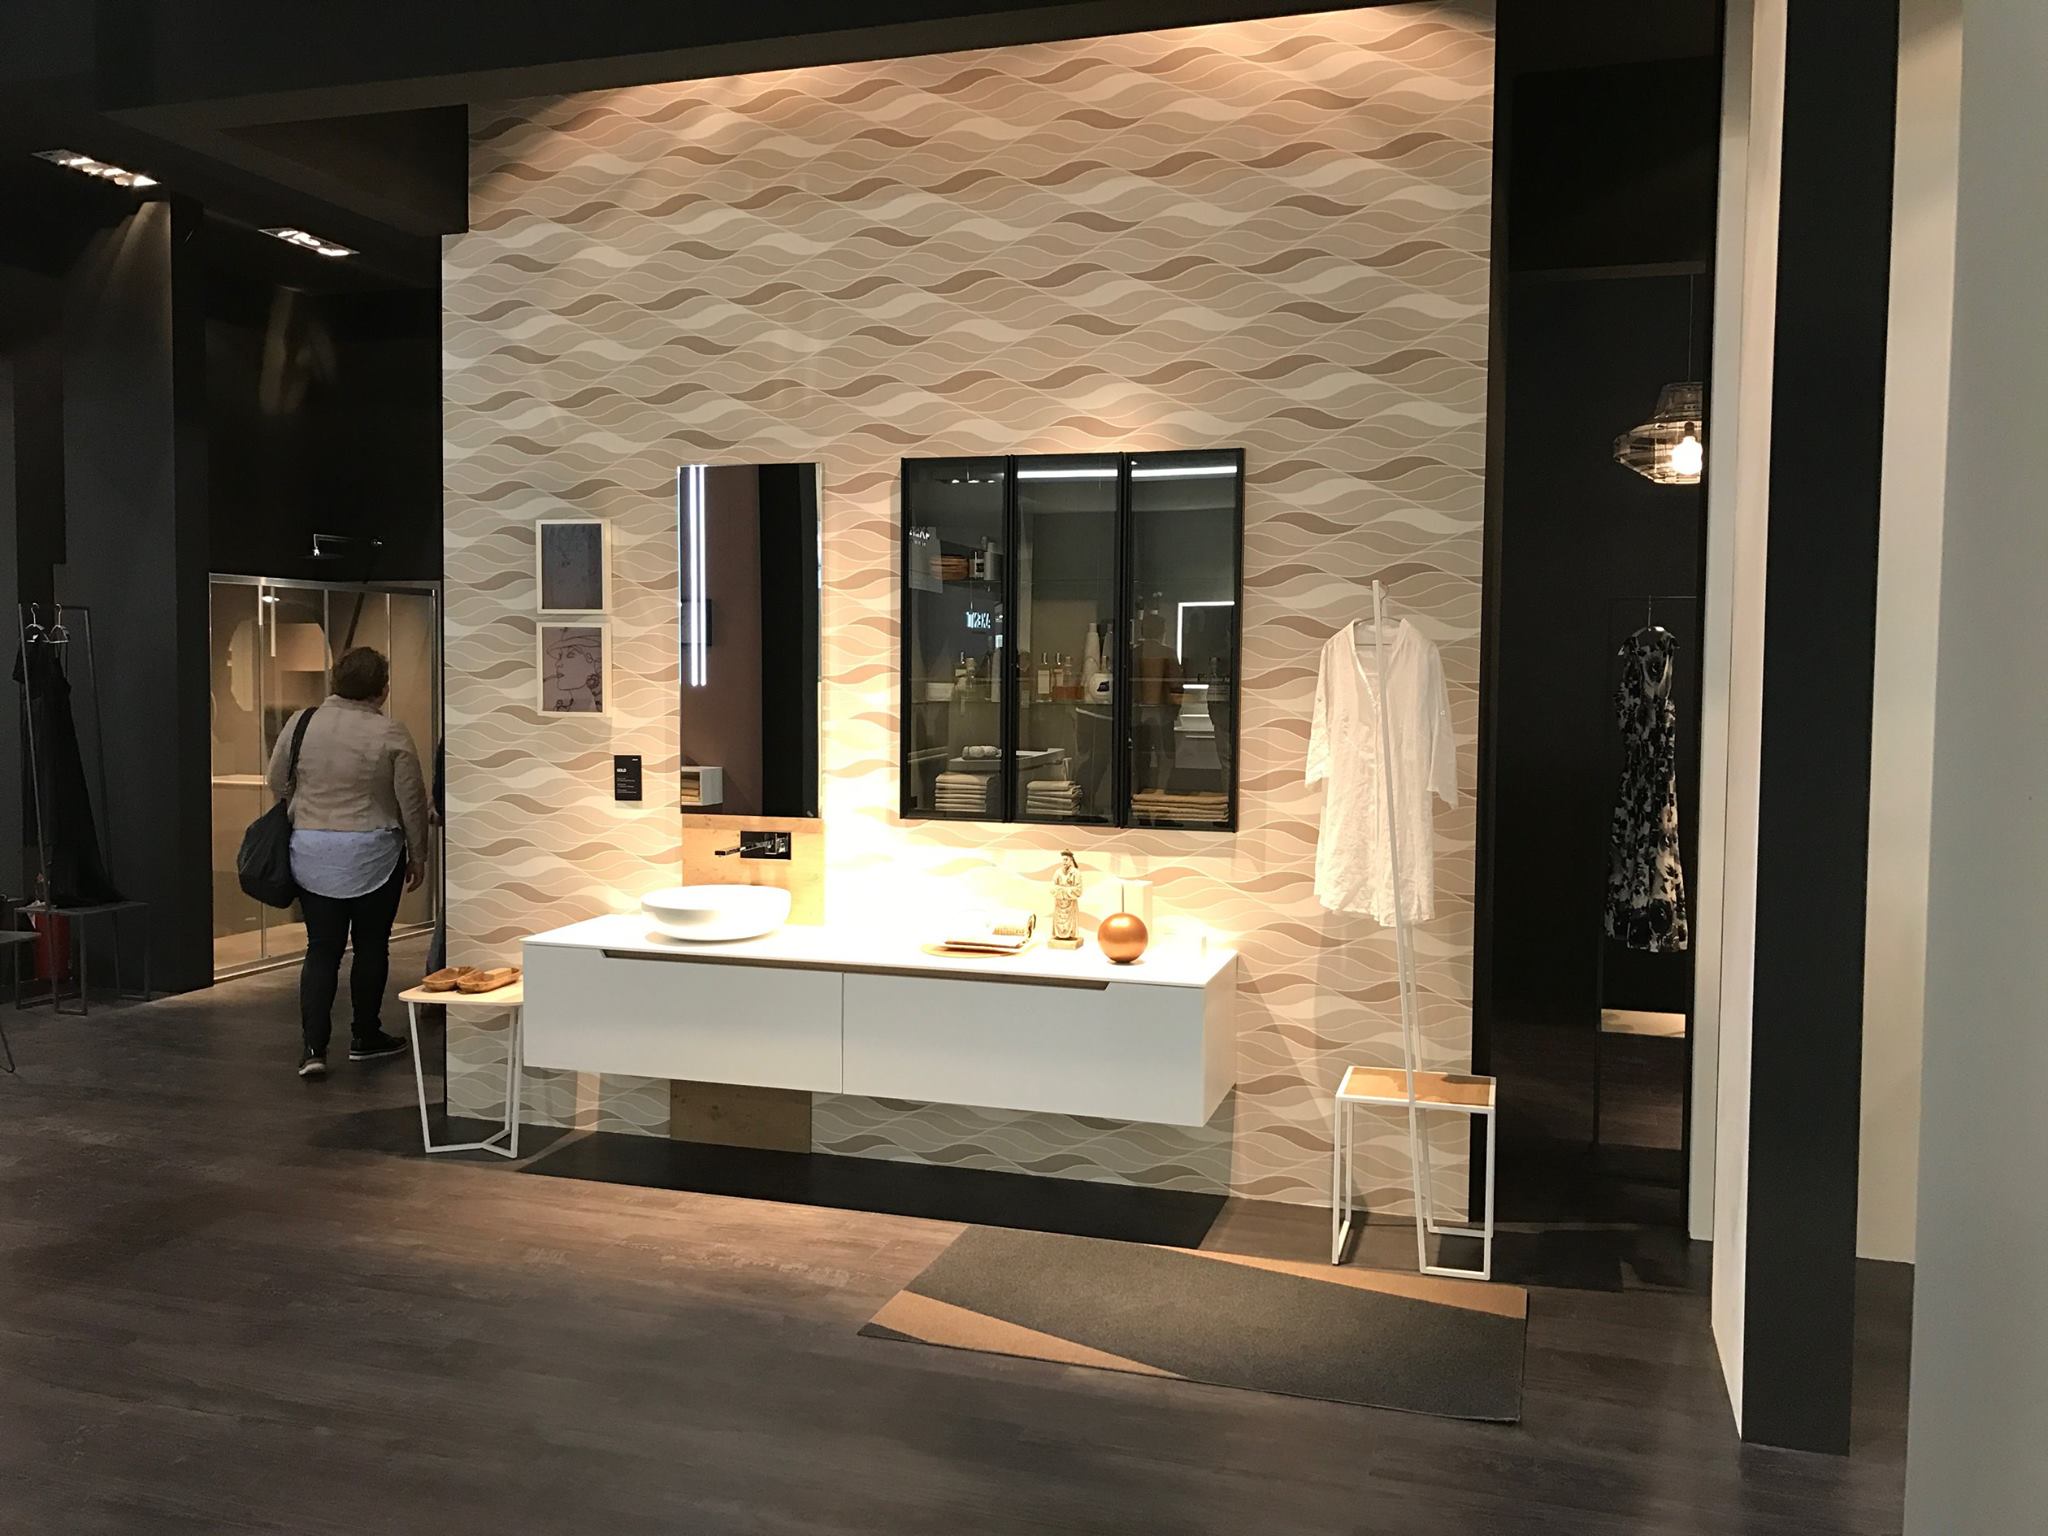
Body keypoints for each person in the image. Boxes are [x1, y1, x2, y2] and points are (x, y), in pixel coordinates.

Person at [265, 647, 428, 1079]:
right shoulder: (390, 731)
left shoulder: (301, 722)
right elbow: (411, 800)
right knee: (371, 945)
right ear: (382, 689)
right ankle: (365, 1034)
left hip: (312, 849)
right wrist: (419, 854)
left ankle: (313, 1048)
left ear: (335, 680)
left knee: (321, 948)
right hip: (374, 851)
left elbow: (275, 779)